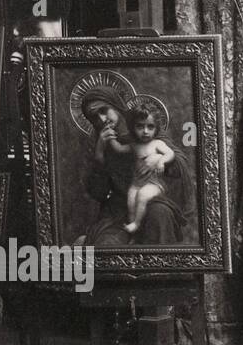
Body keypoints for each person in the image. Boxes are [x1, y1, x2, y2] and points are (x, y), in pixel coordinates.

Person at [78, 87, 190, 247]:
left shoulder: (144, 125)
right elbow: (99, 193)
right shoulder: (97, 143)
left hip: (153, 200)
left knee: (159, 215)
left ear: (115, 104)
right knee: (107, 245)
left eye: (104, 110)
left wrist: (158, 158)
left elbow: (180, 165)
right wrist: (99, 156)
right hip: (117, 213)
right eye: (94, 117)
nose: (102, 119)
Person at [102, 101, 177, 234]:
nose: (145, 131)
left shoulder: (157, 143)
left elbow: (170, 153)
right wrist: (110, 136)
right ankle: (133, 227)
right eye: (140, 127)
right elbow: (118, 149)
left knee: (142, 195)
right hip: (137, 183)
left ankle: (136, 224)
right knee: (131, 200)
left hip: (154, 184)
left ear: (156, 128)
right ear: (133, 127)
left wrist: (161, 161)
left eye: (150, 127)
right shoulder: (134, 145)